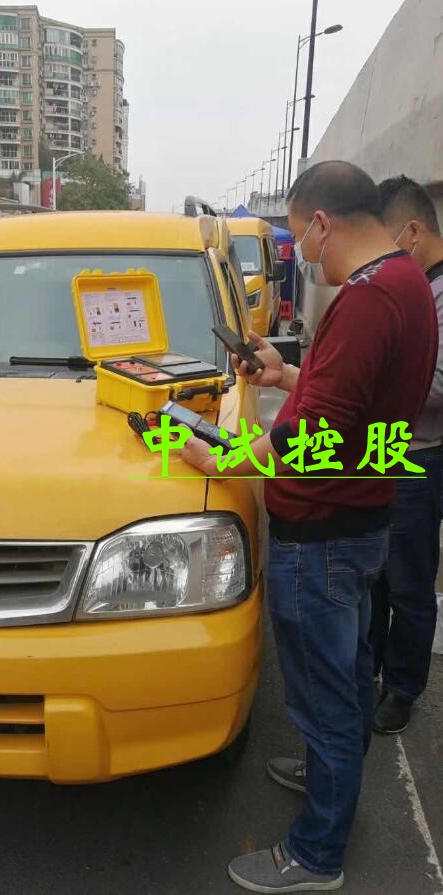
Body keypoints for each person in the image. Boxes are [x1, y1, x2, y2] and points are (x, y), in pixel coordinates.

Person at [176, 161, 437, 892]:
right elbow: (351, 401)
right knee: (347, 675)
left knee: (323, 694)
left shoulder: (366, 299)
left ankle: (317, 852)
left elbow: (309, 433)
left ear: (323, 222)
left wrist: (223, 458)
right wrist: (284, 374)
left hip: (322, 533)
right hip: (360, 519)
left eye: (299, 238)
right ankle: (333, 775)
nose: (304, 255)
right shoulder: (407, 282)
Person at [369, 175, 443, 735]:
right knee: (375, 574)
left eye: (388, 244)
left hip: (419, 457)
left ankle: (402, 688)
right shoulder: (414, 287)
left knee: (410, 582)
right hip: (386, 449)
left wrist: (366, 388)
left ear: (412, 233)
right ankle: (370, 668)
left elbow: (436, 385)